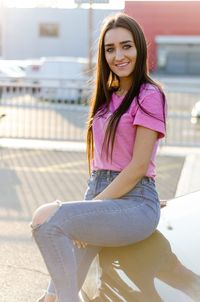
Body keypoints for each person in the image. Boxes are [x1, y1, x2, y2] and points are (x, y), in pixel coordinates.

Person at [31, 12, 167, 302]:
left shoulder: (149, 94)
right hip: (101, 195)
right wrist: (90, 207)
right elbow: (104, 161)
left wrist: (142, 196)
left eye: (126, 46)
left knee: (45, 219)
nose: (118, 55)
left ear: (139, 47)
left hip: (131, 201)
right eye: (110, 49)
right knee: (53, 293)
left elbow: (138, 166)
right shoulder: (108, 97)